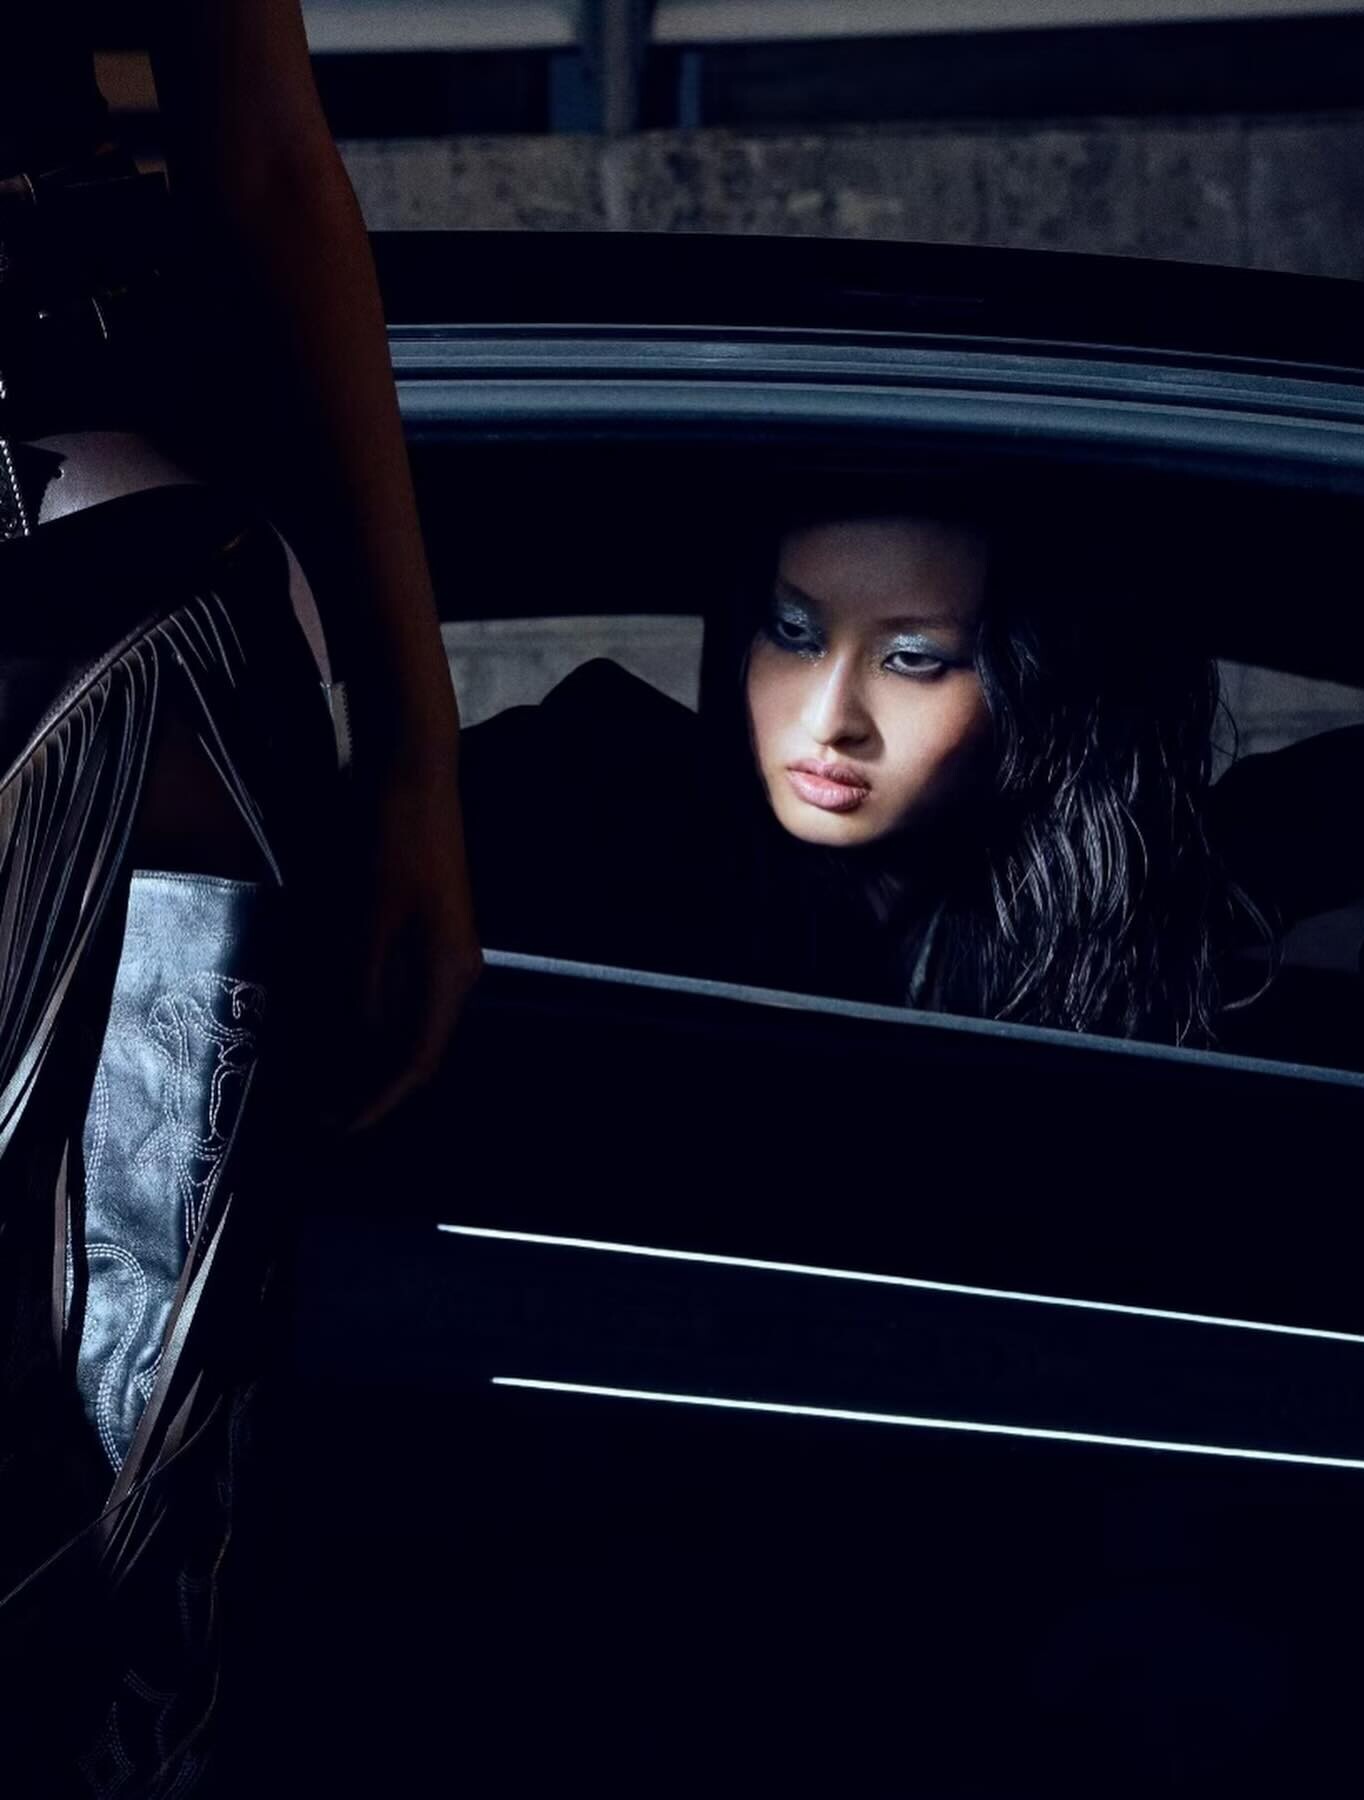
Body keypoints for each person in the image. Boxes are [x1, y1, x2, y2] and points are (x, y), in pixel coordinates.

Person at [0, 5, 478, 1792]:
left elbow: (269, 157)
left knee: (132, 1529)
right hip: (138, 633)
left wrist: (417, 756)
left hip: (131, 630)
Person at [460, 495, 1364, 1071]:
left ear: (1033, 695)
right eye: (795, 633)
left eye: (914, 659)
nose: (828, 718)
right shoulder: (593, 789)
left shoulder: (1134, 898)